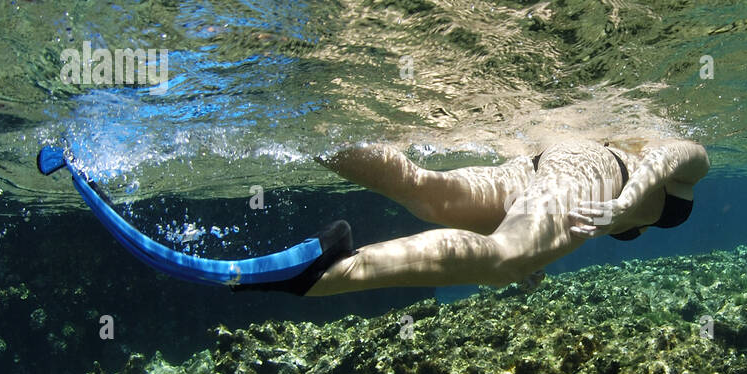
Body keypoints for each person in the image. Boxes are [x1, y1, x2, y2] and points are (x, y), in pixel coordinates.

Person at [268, 137, 709, 296]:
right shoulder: (696, 167)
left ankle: (309, 135)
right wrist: (628, 202)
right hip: (592, 166)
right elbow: (667, 157)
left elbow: (571, 212)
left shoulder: (612, 182)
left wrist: (537, 251)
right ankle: (324, 275)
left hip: (544, 165)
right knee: (504, 258)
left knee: (426, 193)